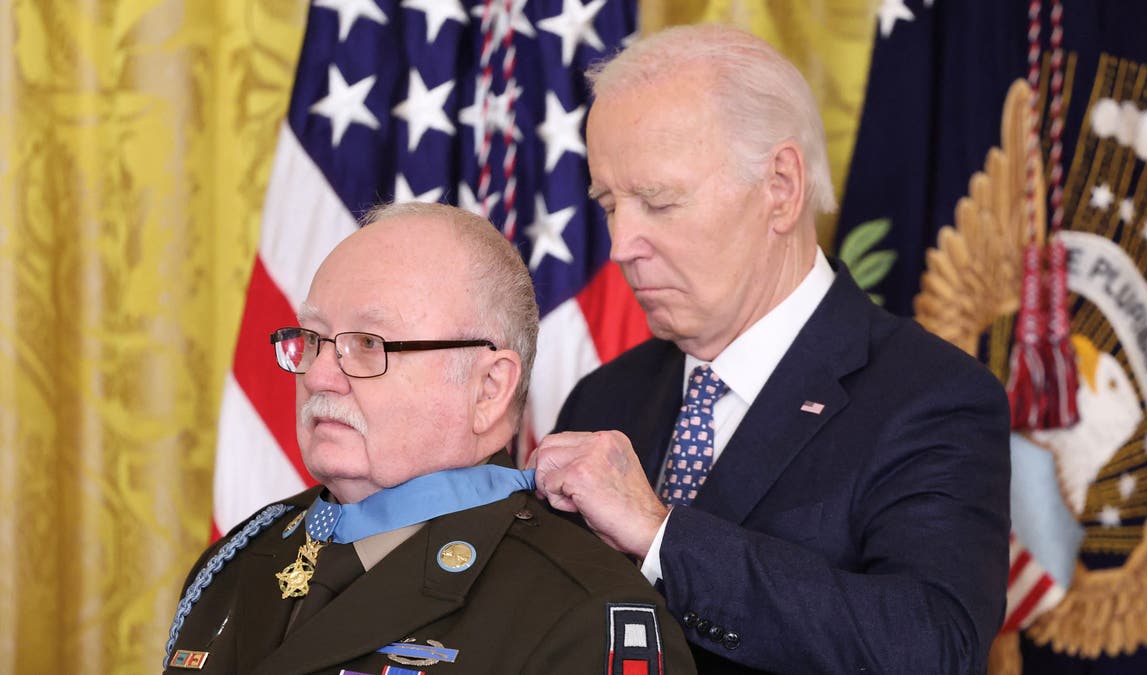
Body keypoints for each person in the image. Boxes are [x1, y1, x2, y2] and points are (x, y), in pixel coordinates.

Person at [531, 24, 1011, 674]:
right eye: (610, 204)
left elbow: (930, 646)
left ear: (781, 187)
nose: (621, 245)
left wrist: (661, 534)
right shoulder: (604, 396)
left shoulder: (932, 396)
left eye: (658, 202)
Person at [164, 202, 695, 674]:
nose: (320, 376)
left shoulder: (584, 611)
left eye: (369, 344)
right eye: (312, 339)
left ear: (489, 388)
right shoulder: (237, 560)